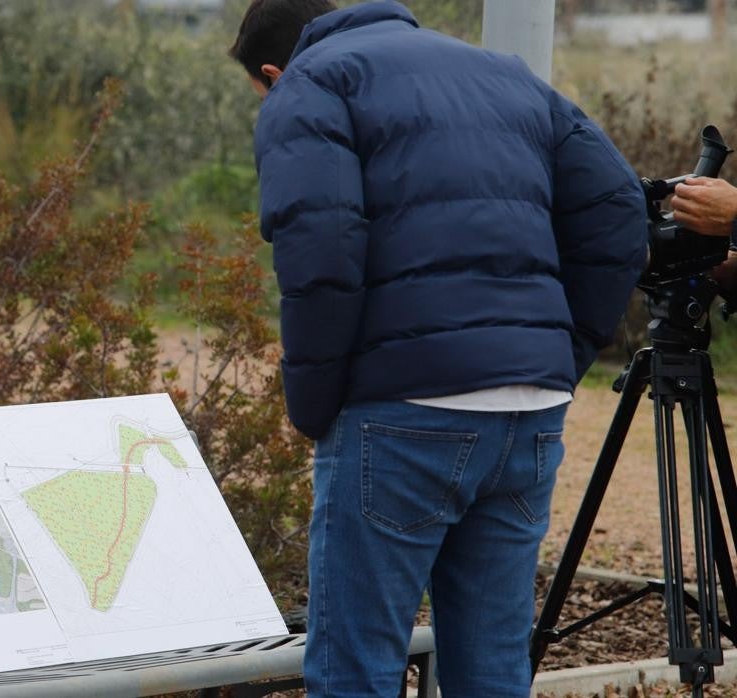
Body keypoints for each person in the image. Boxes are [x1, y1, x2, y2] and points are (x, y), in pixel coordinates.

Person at [229, 1, 648, 696]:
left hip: (401, 410)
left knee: (354, 670)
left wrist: (313, 406)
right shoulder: (504, 74)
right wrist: (557, 353)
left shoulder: (310, 84)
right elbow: (619, 209)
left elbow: (323, 254)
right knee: (491, 669)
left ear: (272, 72)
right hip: (528, 413)